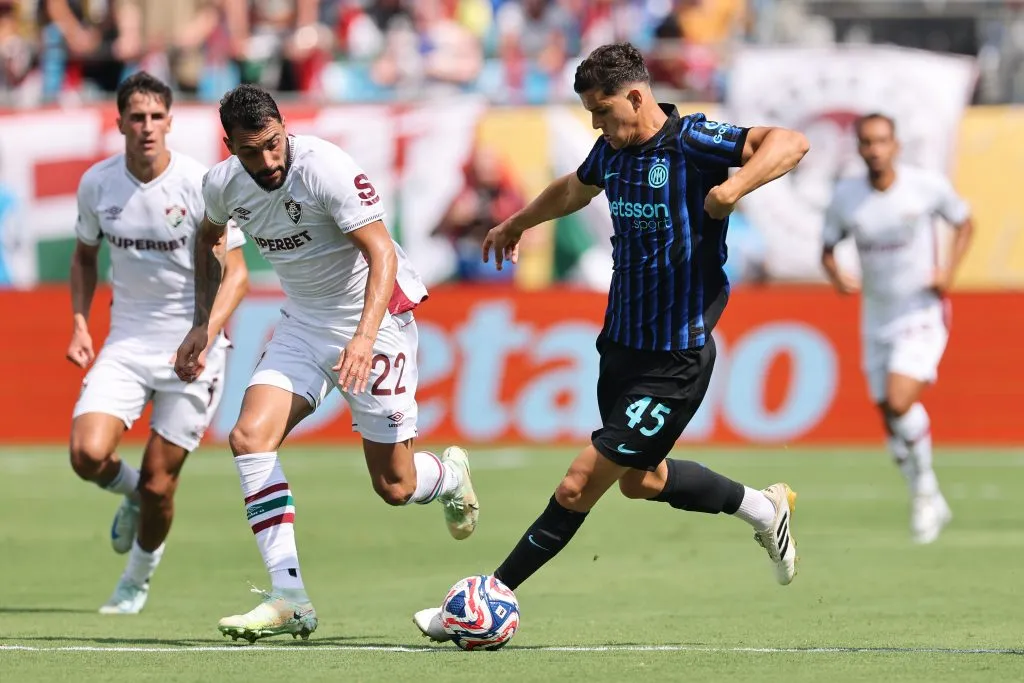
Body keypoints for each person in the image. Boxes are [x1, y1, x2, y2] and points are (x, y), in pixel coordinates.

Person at [412, 42, 810, 640]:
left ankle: (484, 598)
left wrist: (734, 190)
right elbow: (574, 188)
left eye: (601, 112)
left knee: (579, 482)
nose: (596, 125)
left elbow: (790, 141)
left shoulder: (694, 140)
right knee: (638, 479)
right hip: (620, 346)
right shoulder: (613, 152)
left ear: (635, 95)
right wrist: (518, 221)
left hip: (675, 358)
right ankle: (763, 507)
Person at [174, 84, 479, 643]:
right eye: (250, 151)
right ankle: (288, 597)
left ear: (283, 127)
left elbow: (381, 251)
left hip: (376, 320)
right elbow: (208, 239)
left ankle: (449, 476)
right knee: (248, 437)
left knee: (394, 484)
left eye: (271, 145)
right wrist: (201, 322)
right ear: (229, 146)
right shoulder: (221, 184)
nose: (266, 161)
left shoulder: (325, 167)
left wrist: (364, 338)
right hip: (304, 326)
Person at [67, 71, 250, 614]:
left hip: (194, 347)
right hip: (127, 340)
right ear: (120, 121)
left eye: (155, 117)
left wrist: (205, 333)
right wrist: (80, 321)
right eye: (136, 117)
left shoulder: (201, 184)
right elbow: (82, 257)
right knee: (86, 454)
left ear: (170, 122)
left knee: (159, 483)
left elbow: (237, 274)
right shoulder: (98, 185)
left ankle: (135, 580)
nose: (146, 127)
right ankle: (128, 497)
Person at [821, 113, 973, 544]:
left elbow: (964, 221)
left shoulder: (925, 186)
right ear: (859, 148)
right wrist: (836, 275)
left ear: (896, 145)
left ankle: (925, 492)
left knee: (901, 400)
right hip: (876, 314)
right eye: (867, 142)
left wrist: (950, 270)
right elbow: (828, 247)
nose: (875, 150)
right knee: (889, 415)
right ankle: (927, 497)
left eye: (882, 141)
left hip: (920, 310)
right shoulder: (847, 196)